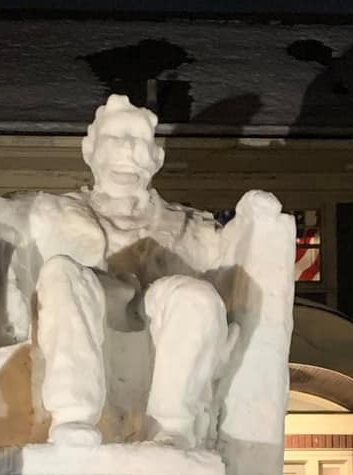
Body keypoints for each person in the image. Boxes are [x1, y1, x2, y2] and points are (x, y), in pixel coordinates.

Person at [30, 94, 235, 450]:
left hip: (157, 308)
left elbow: (232, 258)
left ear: (157, 158)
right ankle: (73, 415)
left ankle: (172, 426)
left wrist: (259, 223)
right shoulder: (53, 210)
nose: (126, 151)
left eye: (139, 140)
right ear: (89, 150)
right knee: (60, 272)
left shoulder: (190, 224)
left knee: (196, 296)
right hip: (92, 299)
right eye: (114, 139)